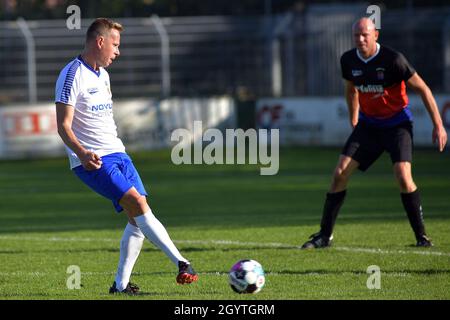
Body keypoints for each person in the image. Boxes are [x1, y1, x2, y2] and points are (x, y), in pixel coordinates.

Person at [55, 18, 198, 294]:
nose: (118, 51)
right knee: (136, 203)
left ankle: (120, 286)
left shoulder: (103, 75)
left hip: (118, 153)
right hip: (93, 160)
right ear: (100, 42)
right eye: (115, 44)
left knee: (136, 218)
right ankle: (181, 262)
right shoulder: (72, 74)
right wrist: (82, 153)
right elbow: (63, 125)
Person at [301, 17, 447, 249]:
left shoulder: (393, 59)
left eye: (364, 35)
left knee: (402, 176)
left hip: (398, 124)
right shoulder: (348, 60)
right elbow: (351, 90)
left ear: (375, 35)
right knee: (339, 173)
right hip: (368, 126)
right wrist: (353, 118)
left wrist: (438, 125)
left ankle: (422, 236)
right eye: (356, 35)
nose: (360, 39)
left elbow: (423, 89)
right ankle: (324, 236)